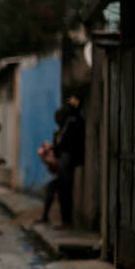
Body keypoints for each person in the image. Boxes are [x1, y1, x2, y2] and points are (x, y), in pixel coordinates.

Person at [39, 98, 84, 228]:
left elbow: (66, 143)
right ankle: (61, 220)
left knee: (64, 191)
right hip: (65, 161)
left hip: (67, 161)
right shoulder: (69, 124)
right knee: (60, 190)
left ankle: (66, 221)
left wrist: (52, 148)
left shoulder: (73, 122)